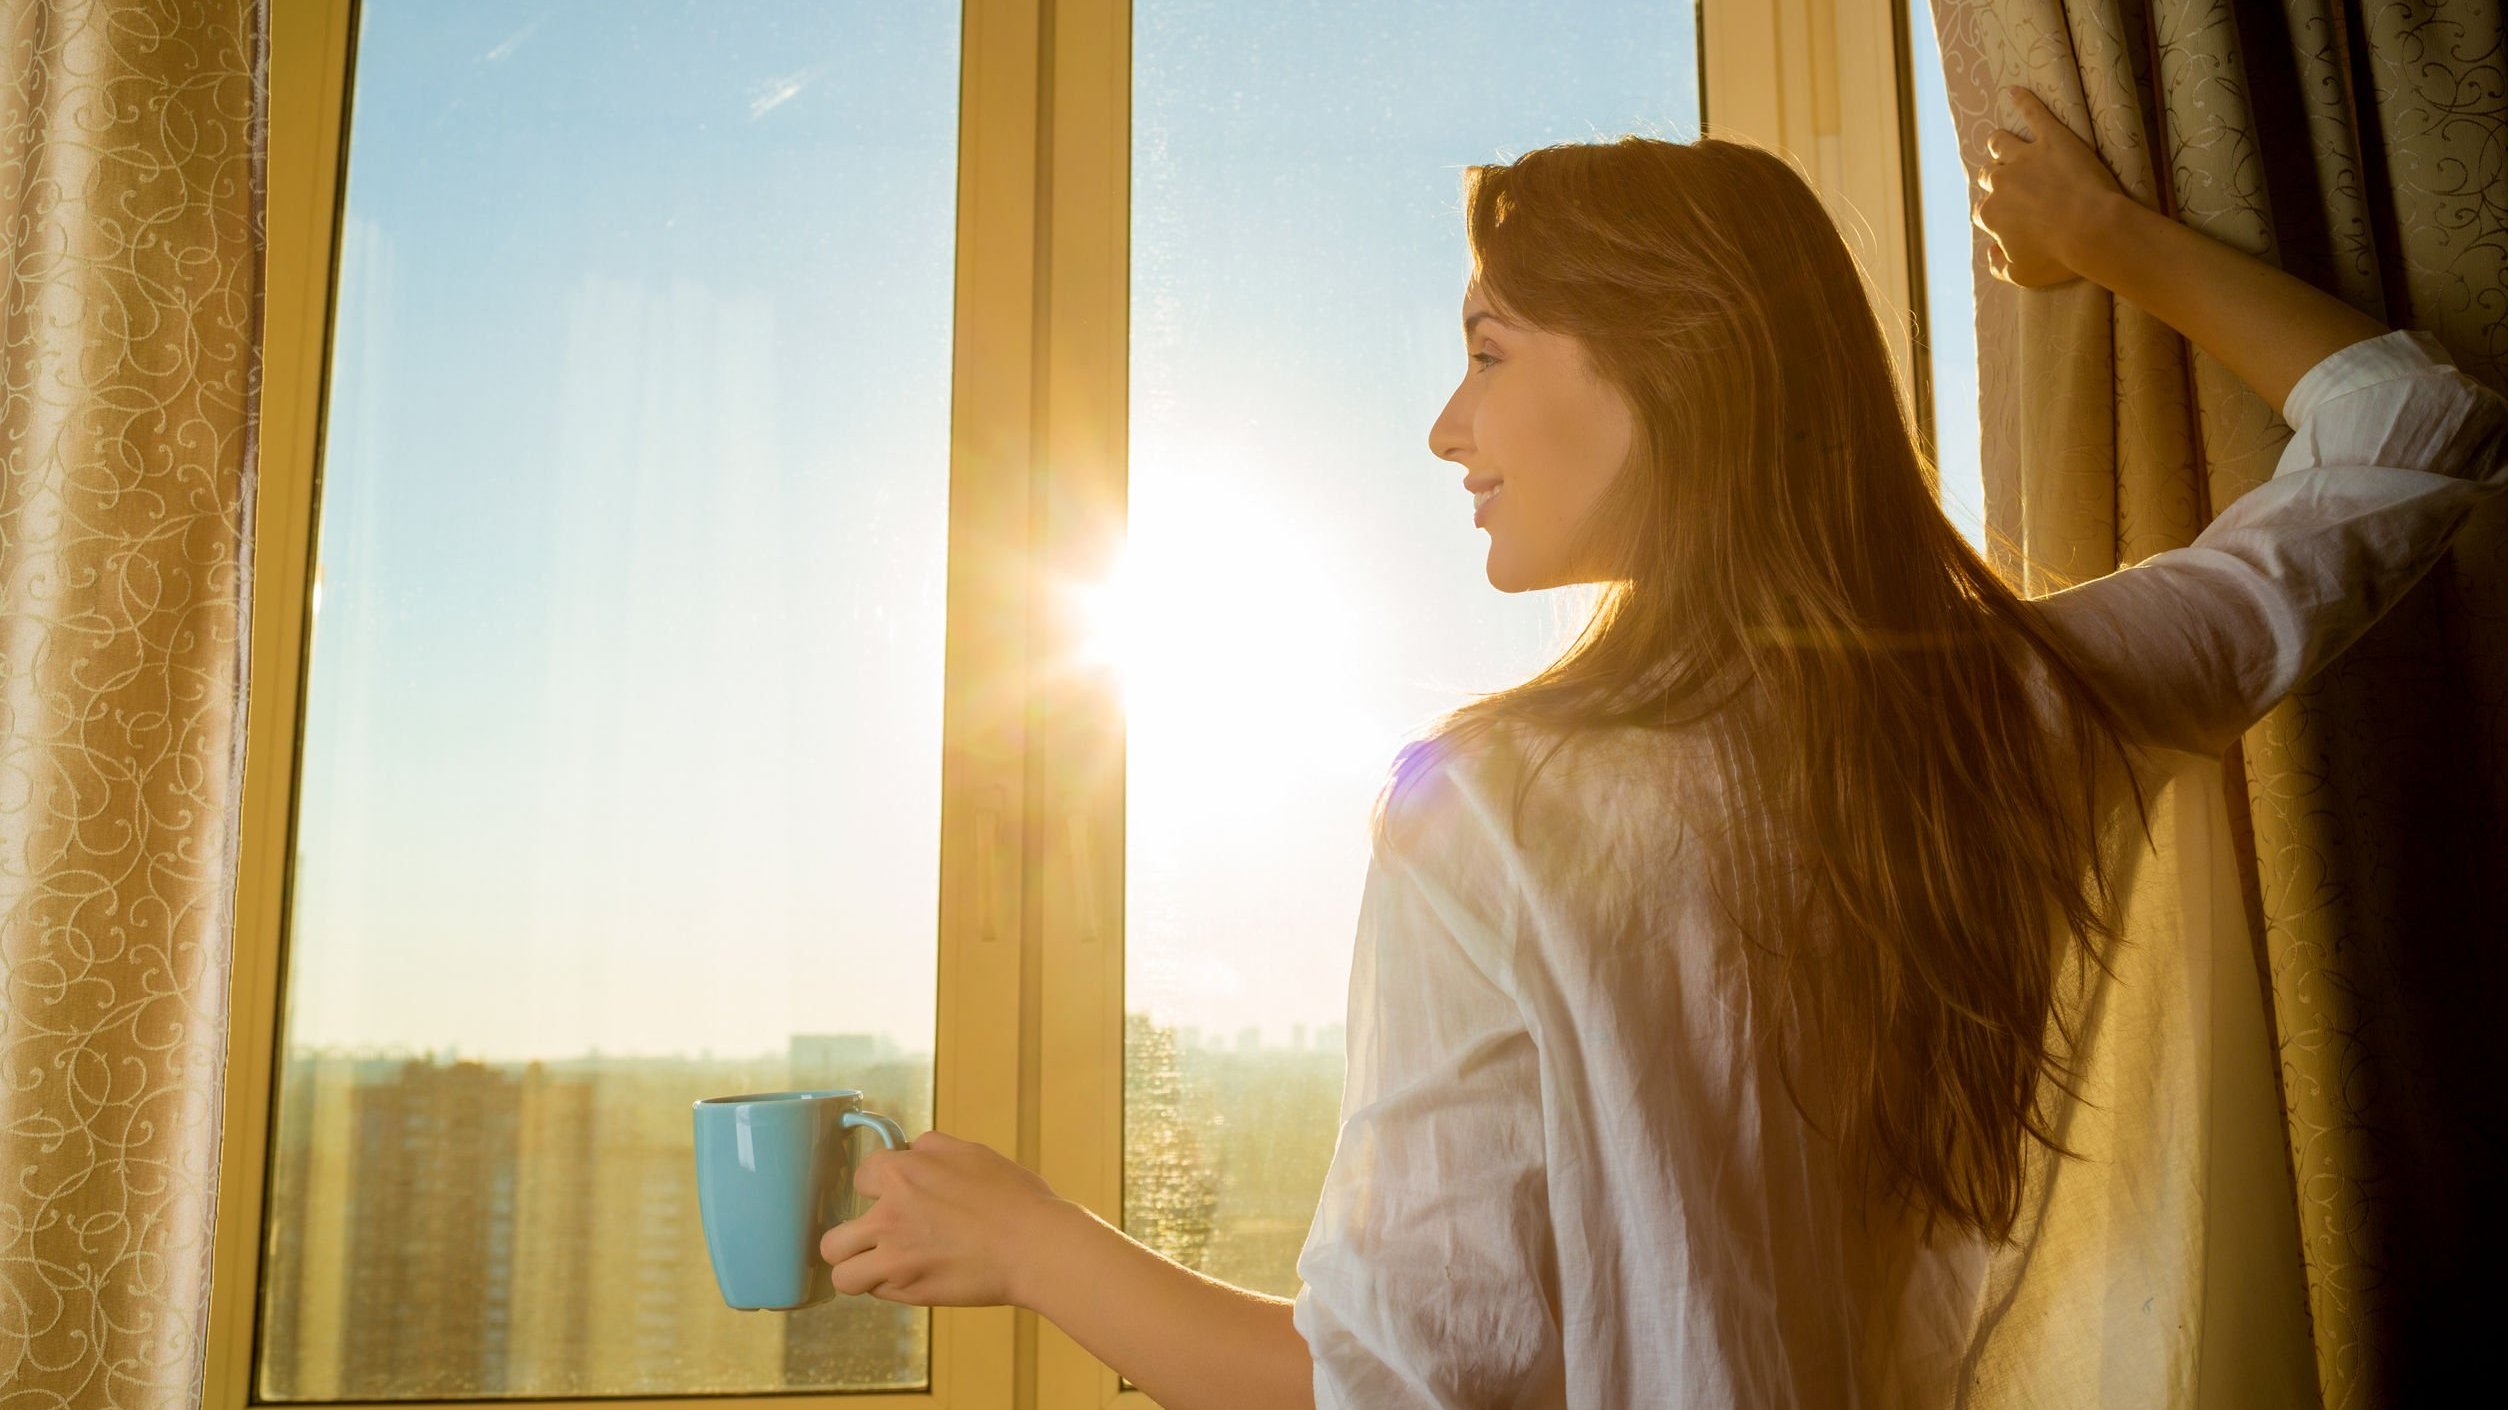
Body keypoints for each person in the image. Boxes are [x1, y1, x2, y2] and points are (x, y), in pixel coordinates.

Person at [811, 86, 2508, 1408]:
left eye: (1486, 351)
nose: (1446, 425)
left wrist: (1028, 1242)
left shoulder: (1493, 809)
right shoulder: (2030, 700)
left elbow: (1384, 1385)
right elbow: (2411, 428)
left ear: (1671, 367)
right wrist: (2111, 239)